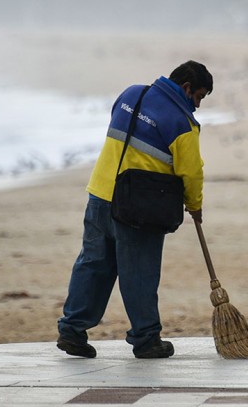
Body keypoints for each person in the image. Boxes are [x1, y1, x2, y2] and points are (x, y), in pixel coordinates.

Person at [57, 60, 213, 359]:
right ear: (187, 88)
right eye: (199, 97)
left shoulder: (131, 95)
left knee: (93, 266)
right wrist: (195, 206)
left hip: (100, 195)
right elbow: (191, 173)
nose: (197, 106)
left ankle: (72, 330)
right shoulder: (182, 123)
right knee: (139, 274)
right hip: (138, 208)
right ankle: (145, 339)